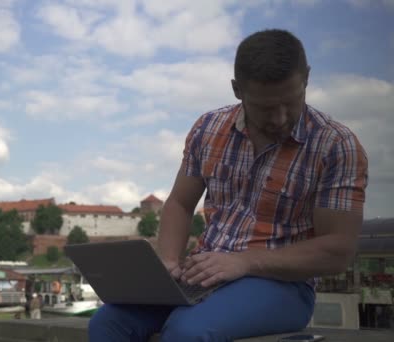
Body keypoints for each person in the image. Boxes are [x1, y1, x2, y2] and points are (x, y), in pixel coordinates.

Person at [89, 29, 368, 342]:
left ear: (307, 78)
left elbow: (338, 250)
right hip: (205, 272)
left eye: (292, 102)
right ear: (237, 90)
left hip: (284, 285)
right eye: (265, 107)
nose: (280, 118)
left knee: (188, 332)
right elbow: (180, 204)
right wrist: (168, 262)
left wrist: (244, 262)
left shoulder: (336, 145)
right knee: (107, 322)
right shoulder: (208, 128)